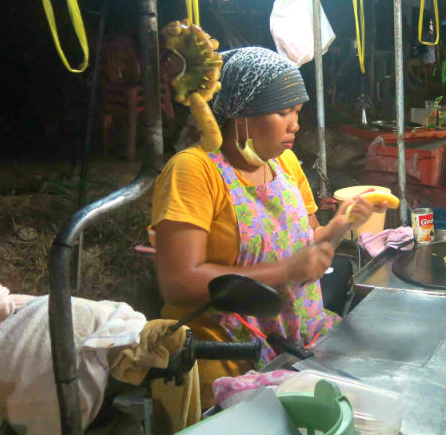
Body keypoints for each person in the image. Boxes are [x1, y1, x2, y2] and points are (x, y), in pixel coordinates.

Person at [151, 47, 375, 407]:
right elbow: (178, 283)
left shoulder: (284, 162)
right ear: (240, 115)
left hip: (298, 335)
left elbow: (306, 243)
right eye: (282, 111)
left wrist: (337, 227)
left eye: (297, 112)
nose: (295, 125)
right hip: (229, 352)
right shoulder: (195, 170)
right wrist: (285, 270)